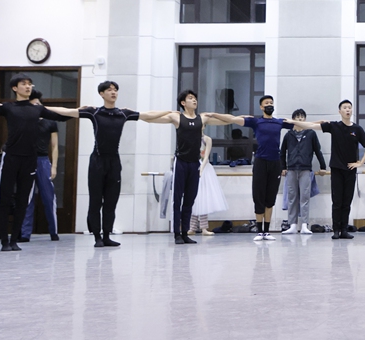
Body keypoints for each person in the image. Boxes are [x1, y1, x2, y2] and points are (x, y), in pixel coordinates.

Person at [0, 76, 72, 252]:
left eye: (30, 84)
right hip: (11, 158)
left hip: (30, 160)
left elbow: (60, 116)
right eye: (24, 84)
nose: (28, 86)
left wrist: (81, 111)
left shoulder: (37, 110)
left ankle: (14, 240)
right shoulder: (8, 107)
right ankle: (4, 241)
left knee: (23, 200)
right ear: (15, 88)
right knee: (4, 199)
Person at [46, 81, 146, 247]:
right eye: (109, 90)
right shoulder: (94, 112)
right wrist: (42, 108)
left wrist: (173, 115)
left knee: (111, 202)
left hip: (114, 161)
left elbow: (148, 115)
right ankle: (97, 237)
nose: (113, 92)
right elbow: (68, 111)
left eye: (115, 90)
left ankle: (107, 235)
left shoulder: (123, 113)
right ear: (101, 93)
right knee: (95, 201)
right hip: (97, 161)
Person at [205, 95, 293, 240]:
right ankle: (259, 231)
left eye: (271, 103)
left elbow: (299, 124)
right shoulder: (256, 121)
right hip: (260, 162)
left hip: (275, 162)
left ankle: (267, 231)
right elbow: (232, 119)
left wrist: (319, 124)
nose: (269, 105)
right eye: (267, 103)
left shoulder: (279, 122)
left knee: (270, 198)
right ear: (261, 107)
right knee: (259, 196)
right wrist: (214, 114)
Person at [139, 90, 220, 244]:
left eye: (195, 98)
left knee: (190, 200)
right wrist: (167, 111)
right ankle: (177, 233)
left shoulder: (201, 118)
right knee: (178, 200)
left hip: (194, 163)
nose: (194, 100)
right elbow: (148, 118)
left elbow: (223, 120)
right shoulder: (176, 117)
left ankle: (185, 232)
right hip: (181, 162)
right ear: (183, 103)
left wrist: (237, 119)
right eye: (190, 98)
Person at [292, 100, 365, 240]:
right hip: (336, 168)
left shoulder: (357, 129)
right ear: (340, 111)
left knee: (347, 201)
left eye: (349, 108)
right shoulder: (334, 126)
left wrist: (360, 163)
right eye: (344, 108)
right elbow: (312, 126)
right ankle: (336, 230)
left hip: (350, 170)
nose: (347, 110)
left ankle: (344, 230)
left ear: (351, 111)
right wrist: (294, 123)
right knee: (337, 201)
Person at [19, 89, 59, 242]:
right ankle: (24, 233)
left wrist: (54, 166)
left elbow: (55, 146)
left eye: (37, 103)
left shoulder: (50, 121)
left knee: (48, 197)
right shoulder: (26, 120)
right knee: (27, 198)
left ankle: (53, 231)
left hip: (43, 161)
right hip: (27, 160)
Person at [280, 108, 327, 235]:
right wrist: (283, 167)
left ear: (305, 120)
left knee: (304, 197)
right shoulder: (288, 135)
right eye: (297, 117)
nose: (300, 119)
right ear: (293, 120)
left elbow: (317, 150)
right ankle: (293, 225)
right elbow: (282, 151)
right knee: (292, 197)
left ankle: (305, 225)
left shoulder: (311, 133)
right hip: (291, 169)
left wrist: (323, 166)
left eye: (302, 118)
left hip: (305, 169)